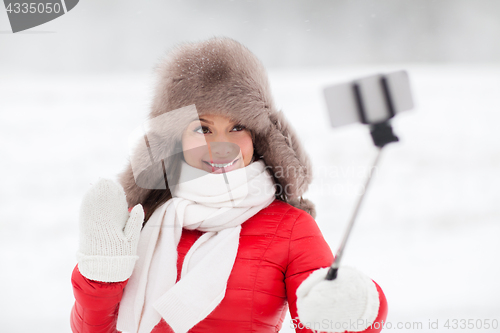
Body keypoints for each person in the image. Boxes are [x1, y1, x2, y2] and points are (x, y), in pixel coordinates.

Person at [70, 37, 388, 333]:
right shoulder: (140, 220)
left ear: (258, 137)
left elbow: (323, 321)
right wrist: (100, 278)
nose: (222, 144)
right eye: (203, 129)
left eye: (237, 126)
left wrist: (351, 305)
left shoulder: (291, 228)